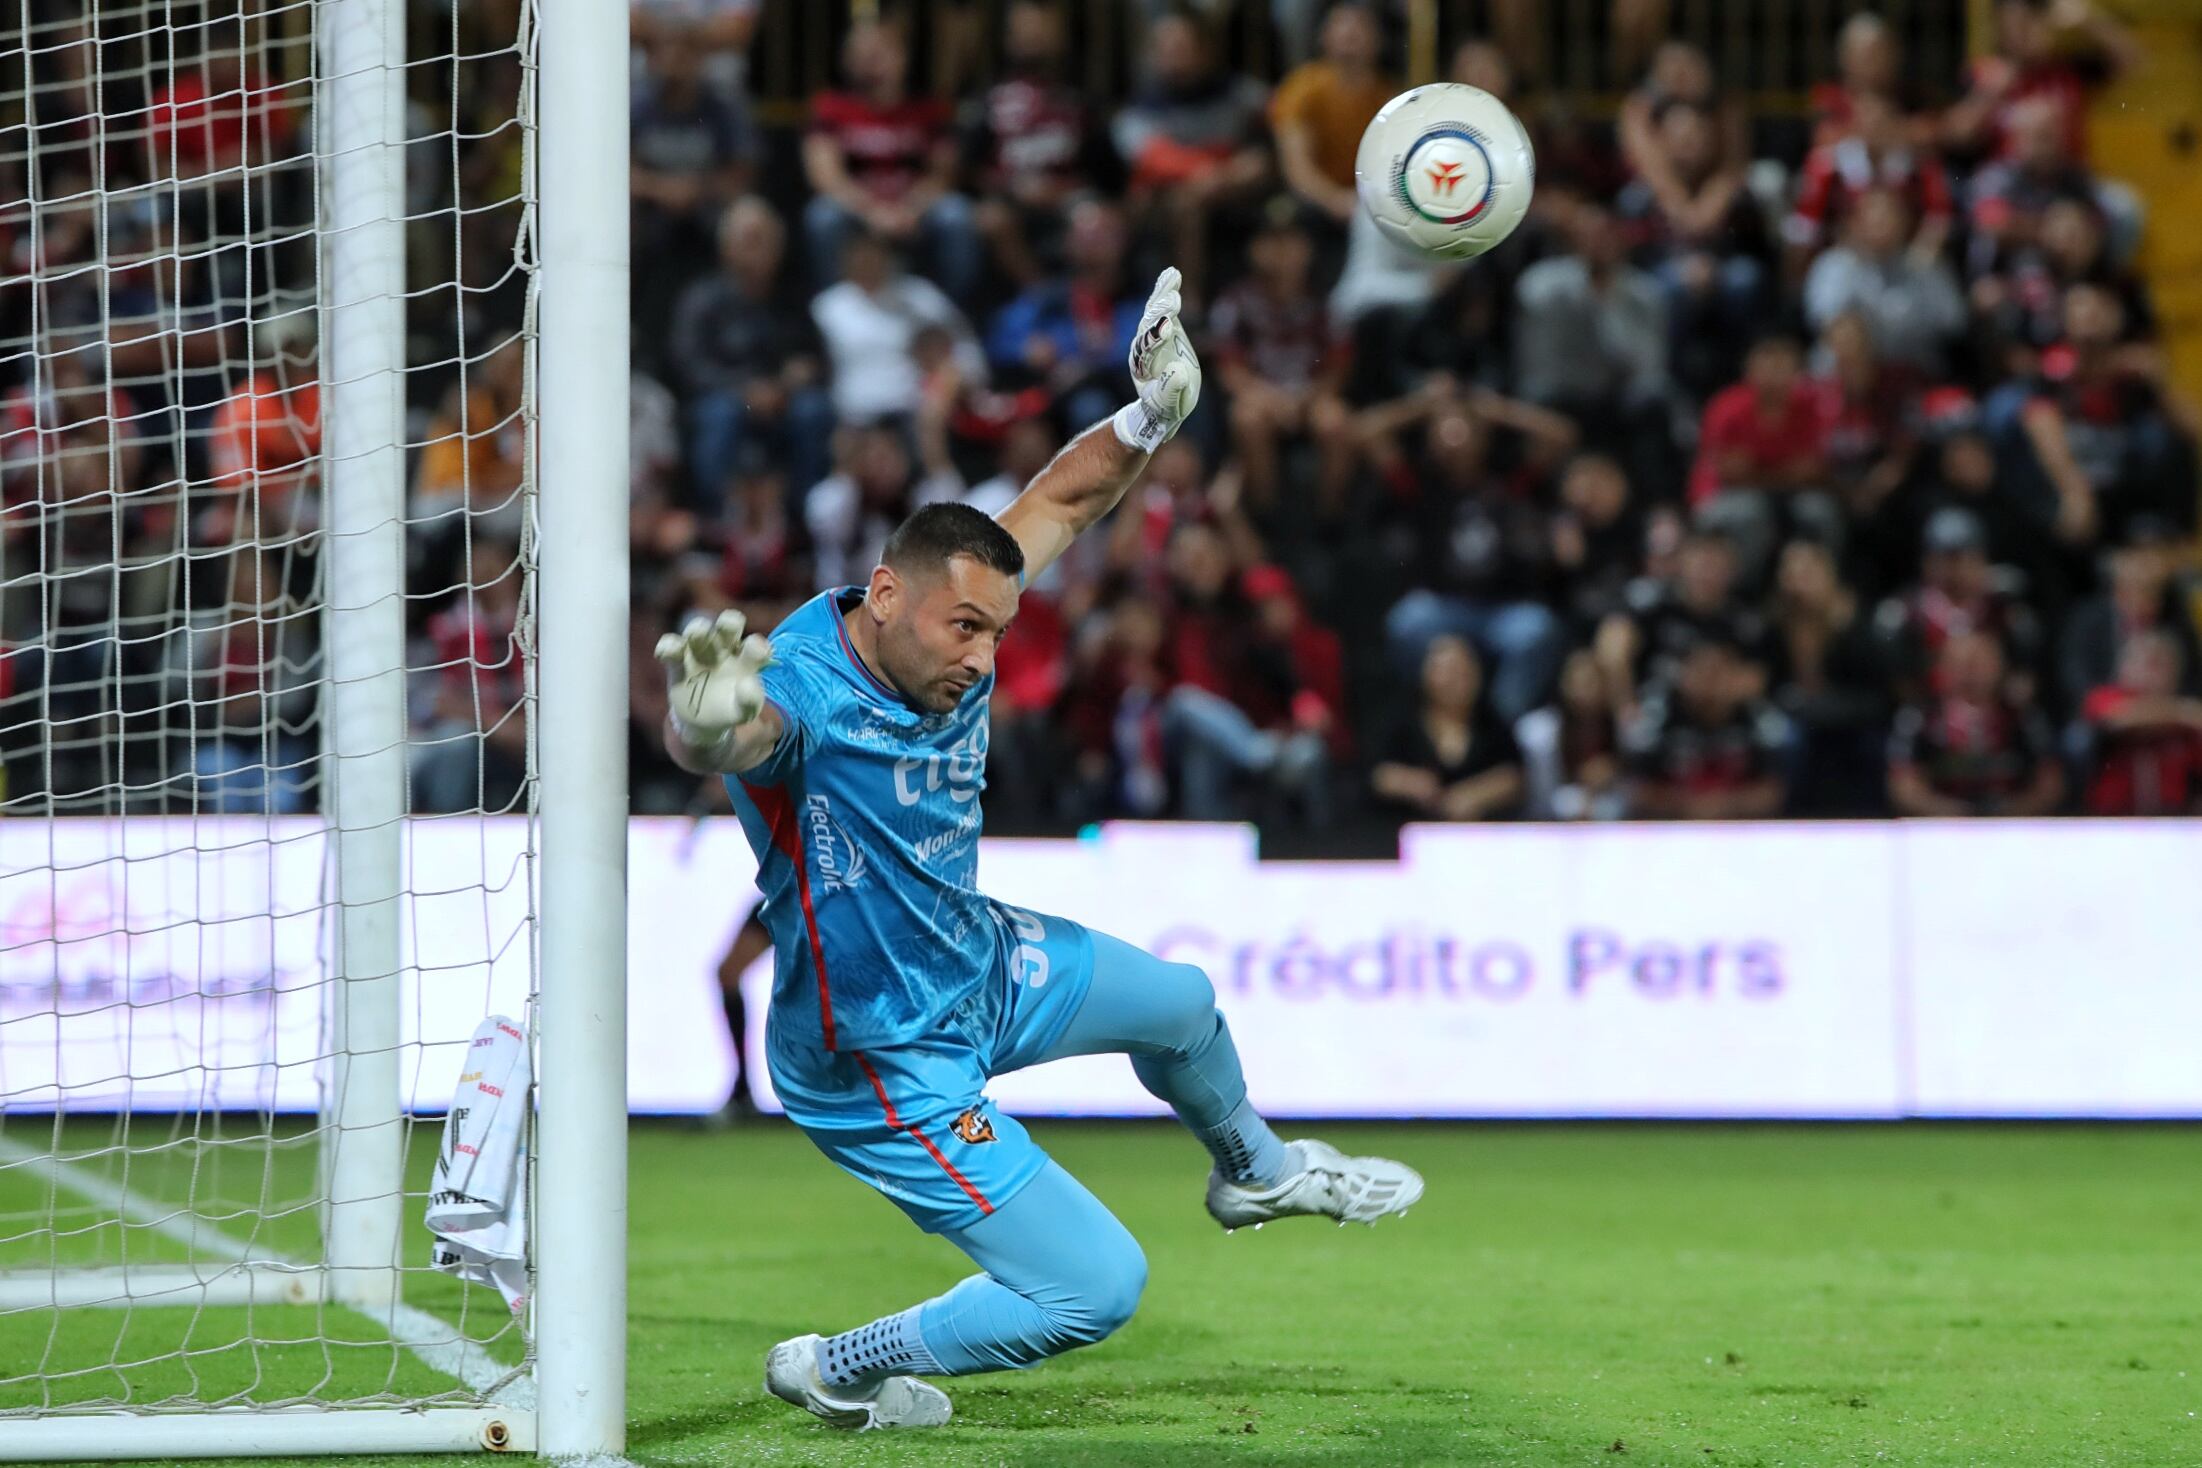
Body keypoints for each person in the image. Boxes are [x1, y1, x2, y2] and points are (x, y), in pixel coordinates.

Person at [657, 270, 1419, 1431]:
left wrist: (1148, 419)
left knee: (1181, 1002)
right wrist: (704, 724)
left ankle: (1254, 1170)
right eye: (964, 627)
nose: (981, 656)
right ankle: (842, 1362)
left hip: (976, 962)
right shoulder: (803, 689)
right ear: (881, 594)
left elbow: (1060, 504)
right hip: (879, 1052)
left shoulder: (957, 598)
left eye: (997, 631)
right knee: (1093, 1287)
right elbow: (742, 738)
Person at [1370, 635, 1524, 822]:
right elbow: (1374, 773)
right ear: (1425, 674)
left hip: (1481, 837)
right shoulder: (1401, 720)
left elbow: (1514, 775)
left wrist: (1475, 794)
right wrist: (1407, 782)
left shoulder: (1492, 722)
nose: (1456, 680)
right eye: (1447, 671)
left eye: (1464, 670)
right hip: (1401, 833)